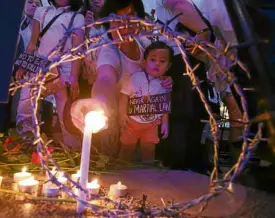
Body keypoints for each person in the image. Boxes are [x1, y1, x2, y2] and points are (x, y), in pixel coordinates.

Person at [70, 0, 172, 159]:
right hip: (119, 125)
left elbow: (156, 69)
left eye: (130, 17)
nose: (125, 25)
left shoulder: (145, 44)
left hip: (145, 122)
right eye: (117, 20)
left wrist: (164, 79)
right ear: (109, 24)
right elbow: (105, 79)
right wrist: (98, 102)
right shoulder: (109, 51)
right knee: (117, 168)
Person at [16, 0, 84, 149]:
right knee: (26, 104)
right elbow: (32, 44)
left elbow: (77, 50)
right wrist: (23, 65)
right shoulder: (42, 11)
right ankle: (24, 143)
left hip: (62, 69)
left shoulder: (77, 17)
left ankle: (74, 149)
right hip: (38, 65)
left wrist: (74, 77)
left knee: (65, 112)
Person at [119, 41, 173, 162]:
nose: (157, 64)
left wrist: (165, 123)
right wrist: (122, 115)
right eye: (153, 60)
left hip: (152, 124)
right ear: (144, 62)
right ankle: (120, 170)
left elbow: (164, 105)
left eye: (162, 61)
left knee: (149, 148)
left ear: (168, 66)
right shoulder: (134, 78)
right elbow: (124, 96)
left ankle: (148, 172)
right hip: (132, 122)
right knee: (127, 147)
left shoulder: (164, 84)